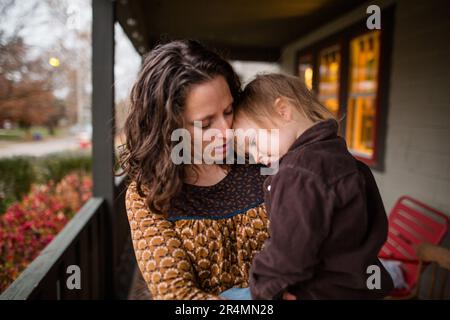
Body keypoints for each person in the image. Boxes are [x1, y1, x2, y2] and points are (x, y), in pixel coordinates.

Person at [119, 40, 269, 300]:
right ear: (167, 126)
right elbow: (177, 296)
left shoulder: (265, 158)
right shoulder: (149, 196)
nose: (226, 131)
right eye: (205, 123)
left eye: (228, 110)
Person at [232, 73, 394, 299]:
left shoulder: (297, 173)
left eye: (252, 142)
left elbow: (288, 252)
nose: (256, 156)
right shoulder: (343, 159)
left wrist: (264, 290)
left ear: (283, 110)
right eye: (248, 153)